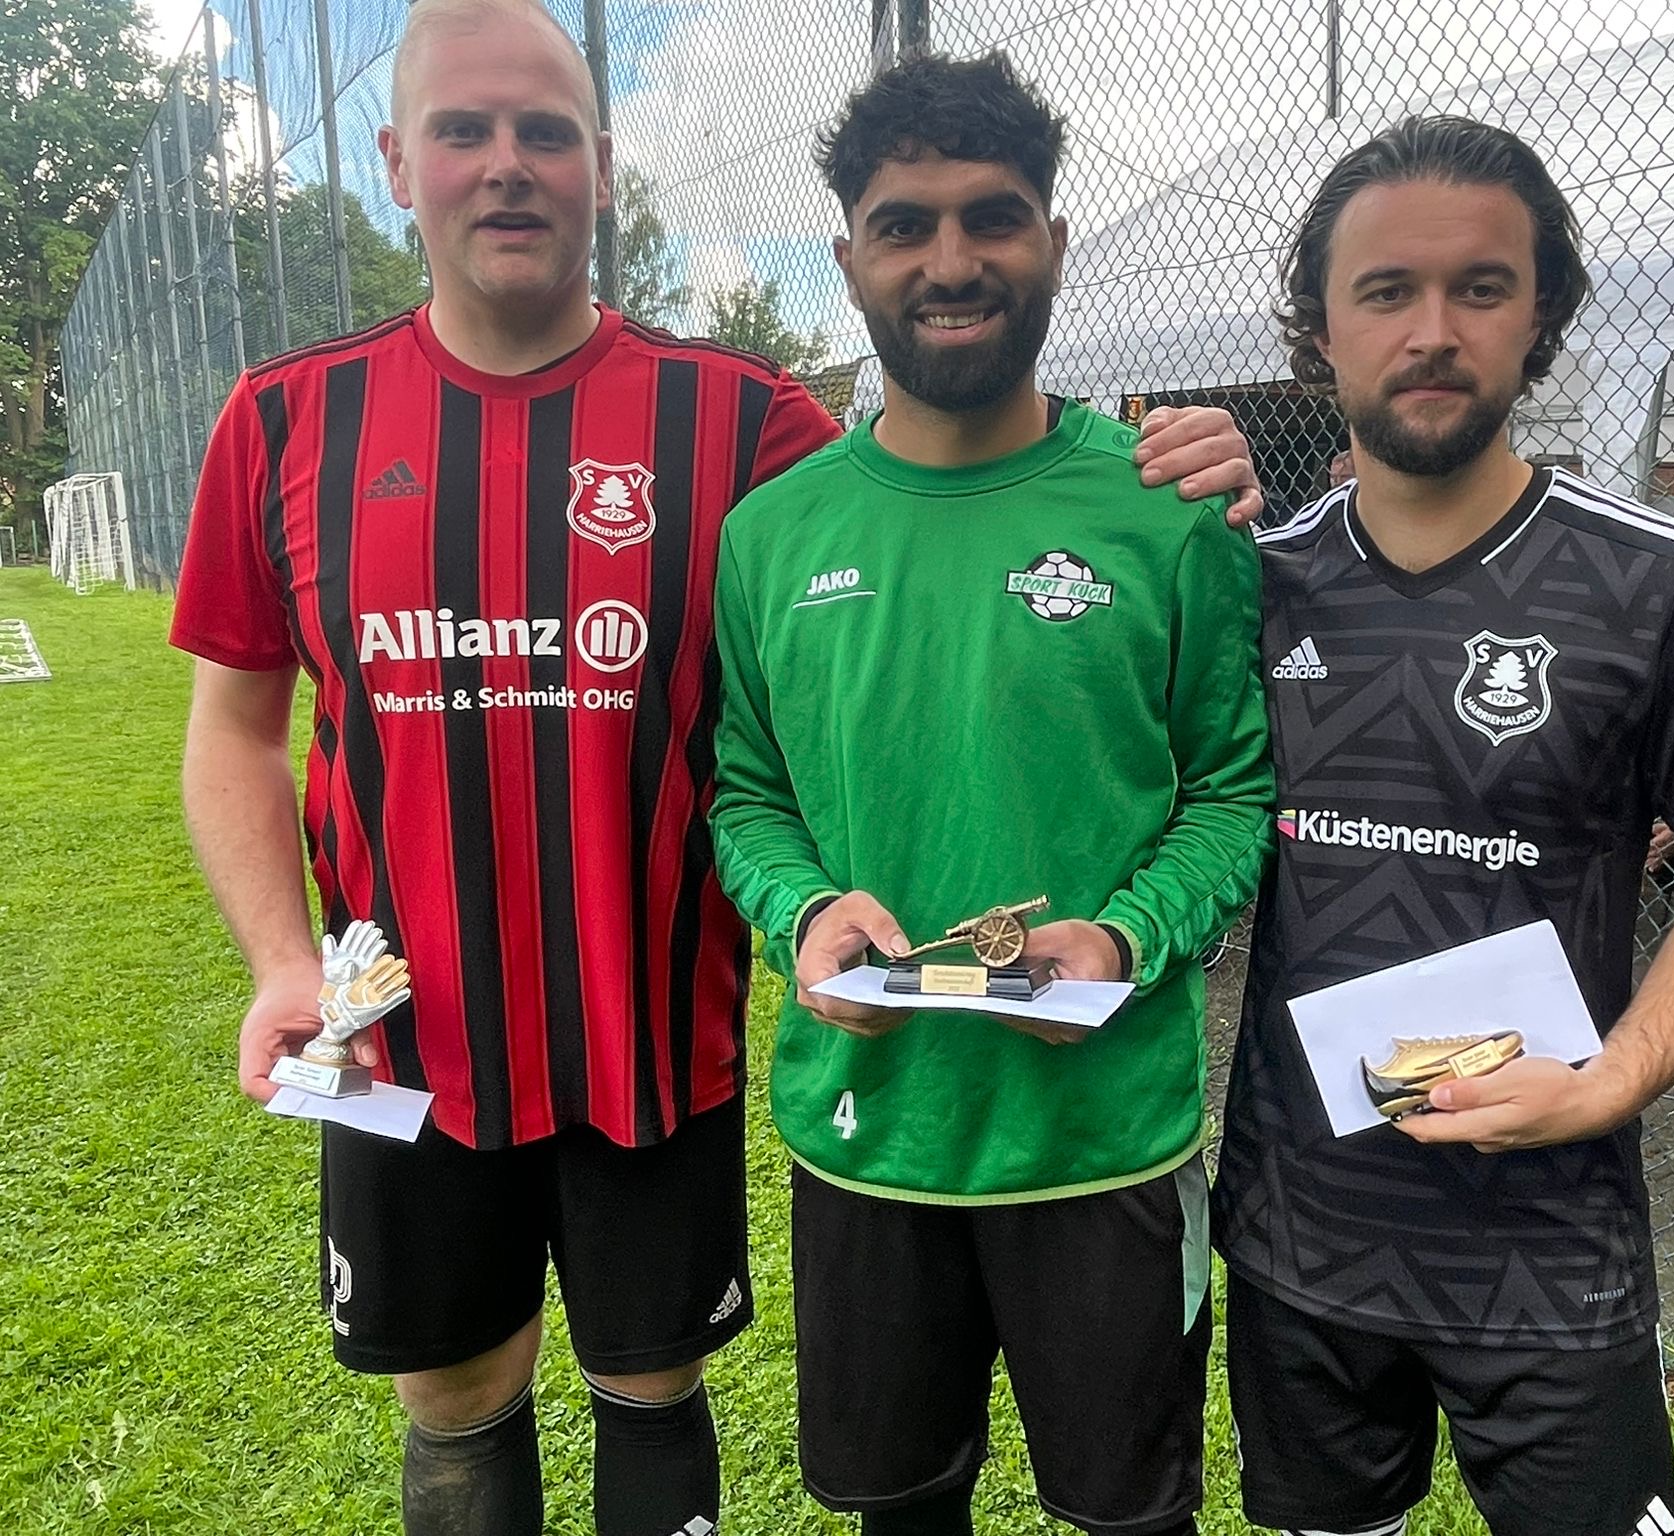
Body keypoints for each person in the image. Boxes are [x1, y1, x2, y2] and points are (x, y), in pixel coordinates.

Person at [167, 4, 1259, 1531]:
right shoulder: (286, 418)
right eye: (466, 131)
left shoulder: (746, 424)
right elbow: (233, 727)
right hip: (404, 1034)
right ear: (397, 161)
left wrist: (1192, 461)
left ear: (603, 166)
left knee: (651, 1379)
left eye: (546, 132)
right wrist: (283, 964)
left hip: (649, 1037)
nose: (507, 164)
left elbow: (936, 476)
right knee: (452, 1398)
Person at [1218, 116, 1674, 1536]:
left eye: (1479, 288)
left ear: (1540, 315)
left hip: (1547, 1248)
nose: (1432, 330)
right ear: (1319, 329)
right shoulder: (1255, 583)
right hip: (1299, 1234)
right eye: (1385, 291)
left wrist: (1613, 1081)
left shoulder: (1661, 582)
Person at [709, 51, 1273, 1536]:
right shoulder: (769, 537)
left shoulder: (1168, 511)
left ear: (1054, 243)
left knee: (1133, 1515)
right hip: (868, 1133)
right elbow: (746, 796)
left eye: (994, 218)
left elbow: (1231, 794)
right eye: (904, 225)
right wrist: (806, 911)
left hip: (1103, 1138)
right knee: (901, 1509)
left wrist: (1125, 936)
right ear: (848, 260)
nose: (951, 262)